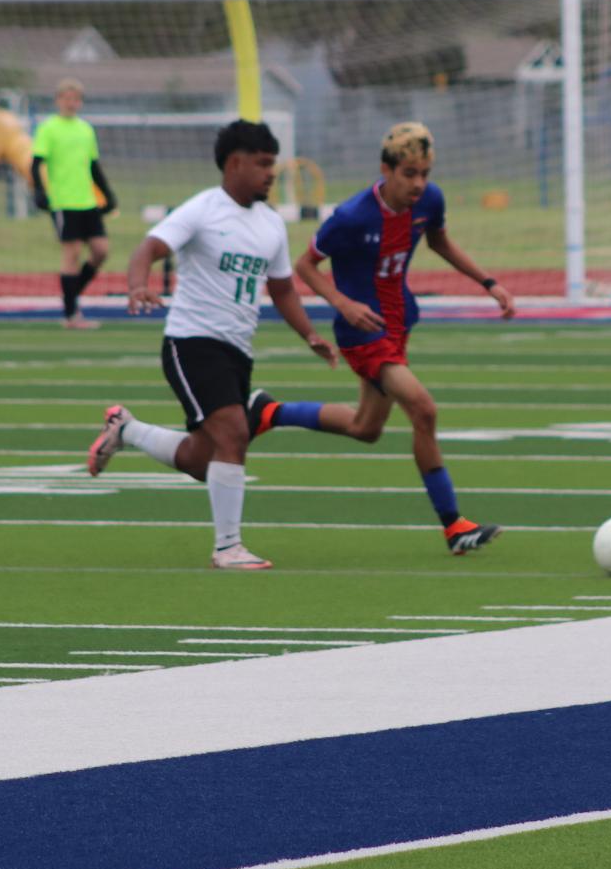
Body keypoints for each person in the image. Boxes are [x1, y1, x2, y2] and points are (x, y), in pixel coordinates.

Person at [248, 121, 515, 556]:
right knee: (423, 409)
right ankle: (454, 526)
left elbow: (440, 241)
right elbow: (305, 266)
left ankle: (269, 411)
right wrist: (343, 304)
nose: (419, 183)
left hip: (398, 322)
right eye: (409, 174)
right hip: (362, 330)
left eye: (425, 173)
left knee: (365, 427)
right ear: (385, 170)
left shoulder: (430, 200)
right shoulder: (353, 216)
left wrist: (489, 283)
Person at [85, 119, 337, 571]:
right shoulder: (202, 209)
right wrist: (138, 285)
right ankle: (227, 548)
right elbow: (147, 248)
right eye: (262, 164)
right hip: (192, 342)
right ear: (234, 163)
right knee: (235, 434)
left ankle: (128, 431)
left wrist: (311, 335)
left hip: (237, 351)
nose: (270, 174)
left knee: (206, 458)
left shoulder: (271, 225)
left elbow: (282, 289)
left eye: (272, 165)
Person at [31, 79, 119, 329]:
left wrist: (108, 195)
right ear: (58, 100)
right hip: (63, 201)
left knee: (101, 250)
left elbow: (93, 166)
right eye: (67, 98)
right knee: (72, 253)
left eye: (76, 99)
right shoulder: (49, 128)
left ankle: (70, 296)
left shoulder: (85, 129)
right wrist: (39, 191)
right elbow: (36, 163)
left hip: (87, 201)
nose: (71, 103)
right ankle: (71, 315)